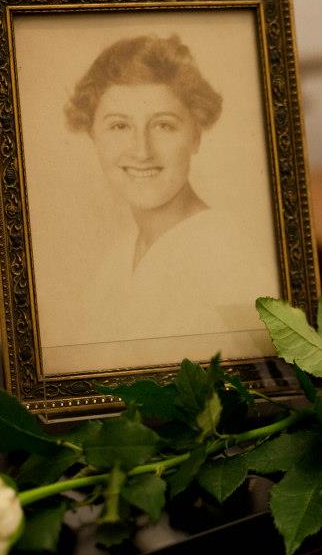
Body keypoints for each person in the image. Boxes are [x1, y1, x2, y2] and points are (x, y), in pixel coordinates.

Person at [64, 34, 277, 348]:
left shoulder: (226, 255)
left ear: (196, 135)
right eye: (120, 126)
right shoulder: (116, 262)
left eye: (163, 125)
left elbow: (266, 370)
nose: (142, 151)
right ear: (93, 135)